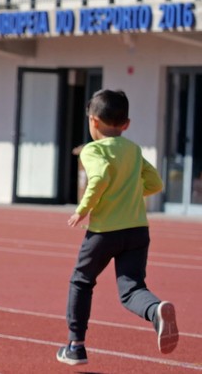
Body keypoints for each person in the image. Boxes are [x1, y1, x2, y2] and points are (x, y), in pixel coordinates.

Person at [57, 89, 178, 366]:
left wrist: (82, 210)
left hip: (104, 232)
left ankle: (75, 346)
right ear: (126, 124)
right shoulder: (133, 150)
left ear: (93, 121)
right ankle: (155, 310)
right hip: (137, 231)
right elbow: (156, 184)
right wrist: (129, 196)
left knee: (81, 281)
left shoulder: (92, 149)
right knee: (132, 289)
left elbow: (98, 180)